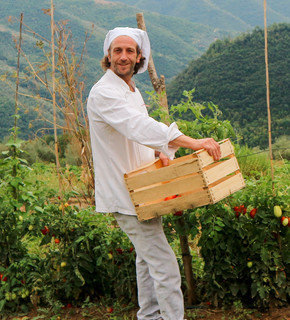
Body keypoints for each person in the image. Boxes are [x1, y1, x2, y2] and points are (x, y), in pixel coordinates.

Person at [87, 27, 221, 320]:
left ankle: (149, 316)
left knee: (147, 262)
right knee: (164, 265)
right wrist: (191, 141)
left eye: (130, 51)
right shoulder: (104, 93)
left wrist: (159, 153)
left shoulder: (130, 91)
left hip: (144, 189)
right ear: (107, 56)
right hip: (127, 194)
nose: (123, 57)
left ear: (139, 58)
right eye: (117, 51)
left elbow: (135, 134)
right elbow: (139, 127)